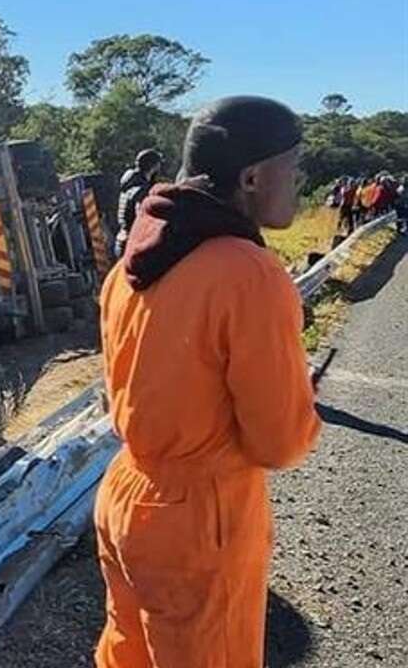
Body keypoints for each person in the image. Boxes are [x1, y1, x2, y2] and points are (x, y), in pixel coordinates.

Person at [95, 96, 321, 668]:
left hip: (126, 495)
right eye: (292, 167)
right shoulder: (249, 272)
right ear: (251, 177)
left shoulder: (132, 267)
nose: (299, 182)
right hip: (200, 521)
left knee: (128, 655)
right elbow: (280, 442)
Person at [115, 149, 164, 257]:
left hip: (123, 239)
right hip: (134, 244)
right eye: (158, 164)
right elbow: (143, 218)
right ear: (154, 166)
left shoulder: (130, 184)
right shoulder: (142, 190)